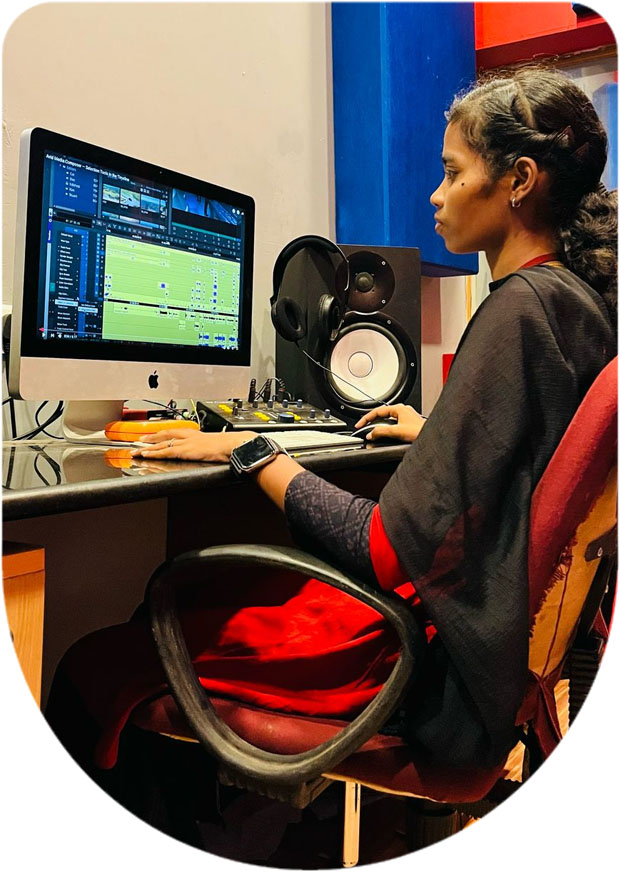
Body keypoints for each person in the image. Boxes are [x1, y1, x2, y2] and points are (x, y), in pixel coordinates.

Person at [47, 67, 616, 787]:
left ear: (519, 180)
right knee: (186, 598)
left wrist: (252, 448)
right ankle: (239, 820)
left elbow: (382, 550)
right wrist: (437, 433)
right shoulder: (574, 304)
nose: (435, 194)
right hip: (486, 662)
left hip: (434, 682)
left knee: (98, 659)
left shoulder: (518, 312)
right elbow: (535, 461)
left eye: (452, 172)